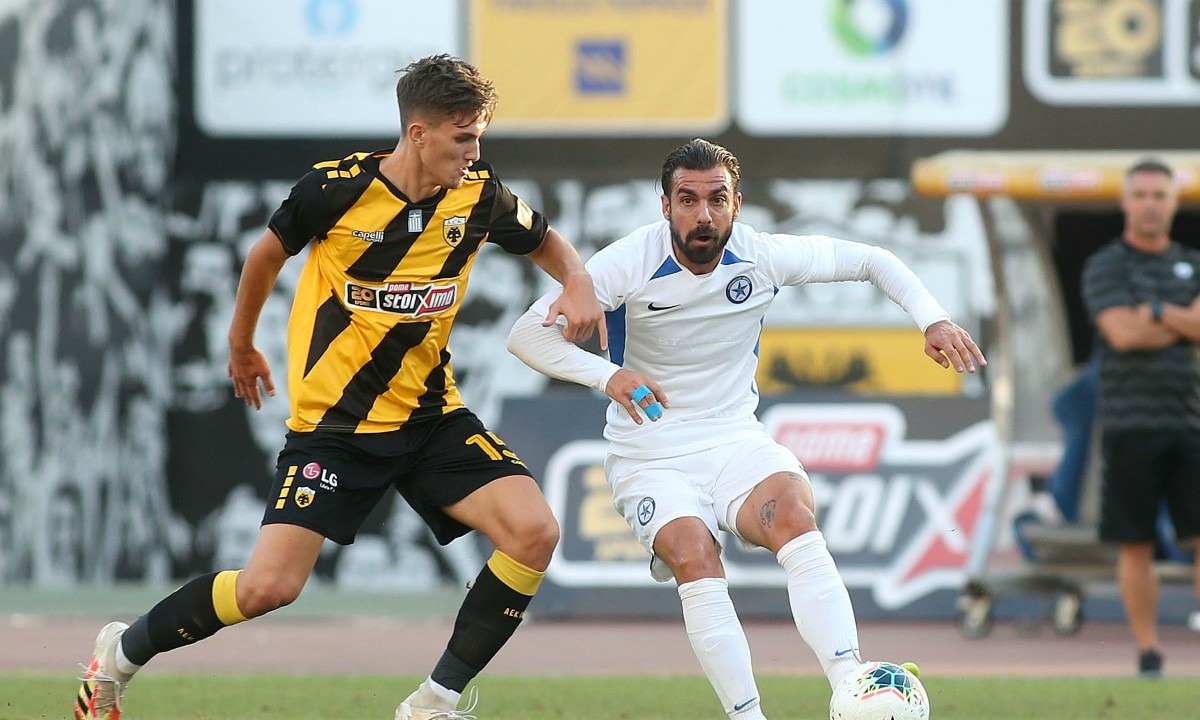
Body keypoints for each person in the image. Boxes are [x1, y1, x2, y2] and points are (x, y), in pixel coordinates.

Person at [73, 53, 605, 720]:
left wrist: (577, 280)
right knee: (268, 588)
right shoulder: (336, 189)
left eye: (479, 137)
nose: (475, 152)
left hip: (431, 419)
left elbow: (547, 241)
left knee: (534, 533)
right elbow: (266, 253)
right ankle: (120, 654)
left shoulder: (480, 195)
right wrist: (241, 344)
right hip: (335, 429)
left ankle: (433, 702)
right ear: (418, 134)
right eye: (463, 137)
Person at [506, 138, 985, 718]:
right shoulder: (627, 262)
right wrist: (609, 376)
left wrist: (933, 320)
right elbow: (525, 335)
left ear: (737, 203)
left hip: (734, 438)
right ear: (666, 205)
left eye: (717, 199)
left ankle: (851, 683)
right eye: (688, 200)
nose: (703, 215)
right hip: (649, 454)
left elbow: (873, 260)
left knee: (794, 516)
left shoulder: (762, 255)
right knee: (694, 554)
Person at [1081, 157, 1200, 678]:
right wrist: (1181, 318)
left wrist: (1151, 309)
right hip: (1130, 424)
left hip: (1191, 420)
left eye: (1160, 195)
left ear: (1174, 202)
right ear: (1125, 201)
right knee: (1137, 542)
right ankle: (1149, 652)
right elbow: (1123, 335)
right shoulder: (1107, 265)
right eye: (1142, 195)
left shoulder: (1192, 262)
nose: (1150, 205)